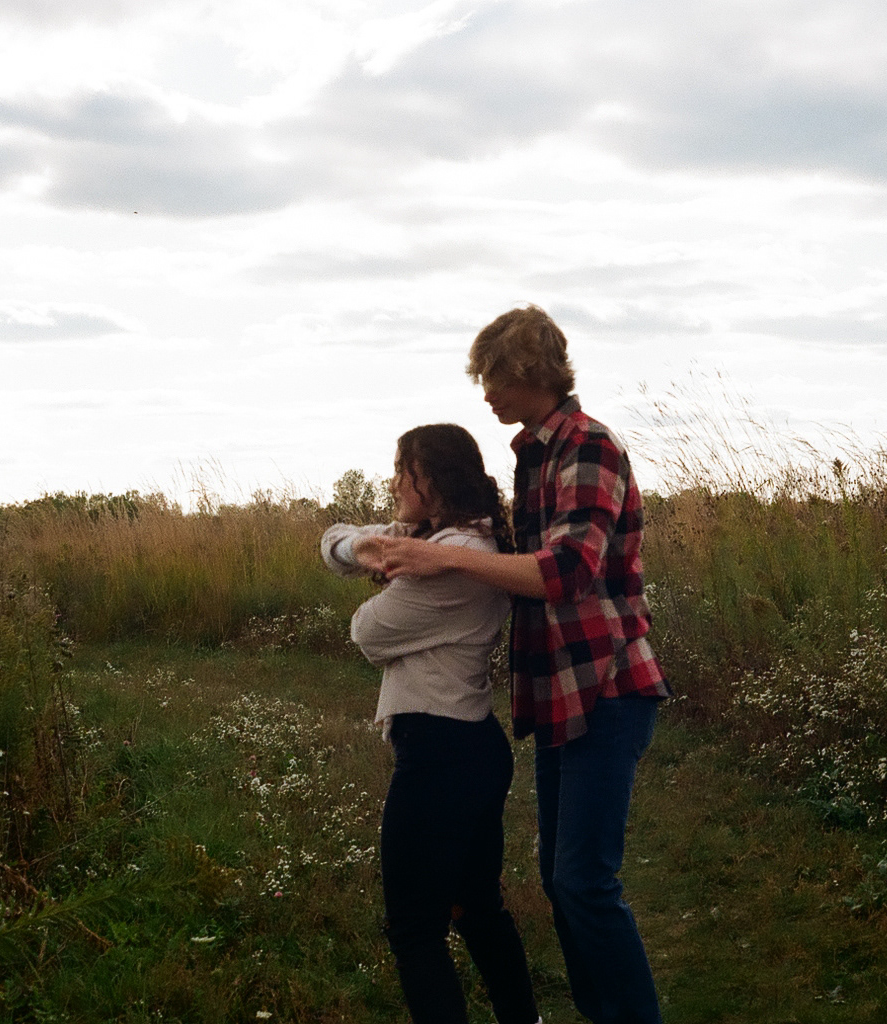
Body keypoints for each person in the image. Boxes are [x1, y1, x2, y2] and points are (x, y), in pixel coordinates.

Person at [364, 307, 671, 1024]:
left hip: (607, 683)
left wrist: (441, 559)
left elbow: (566, 571)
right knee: (560, 881)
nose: (486, 393)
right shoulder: (534, 455)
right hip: (561, 690)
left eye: (494, 377)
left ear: (530, 371)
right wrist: (414, 545)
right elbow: (505, 557)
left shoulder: (588, 446)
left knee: (584, 882)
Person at [321, 423, 539, 1024]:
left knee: (415, 927)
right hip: (469, 747)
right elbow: (331, 541)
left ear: (434, 479)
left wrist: (387, 552)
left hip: (441, 753)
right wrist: (372, 546)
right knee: (477, 908)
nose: (394, 482)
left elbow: (366, 632)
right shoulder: (443, 541)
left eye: (404, 470)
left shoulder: (454, 561)